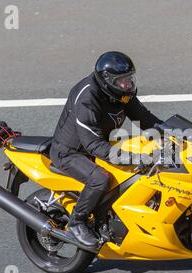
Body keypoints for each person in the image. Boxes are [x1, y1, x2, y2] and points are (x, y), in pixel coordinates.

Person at [50, 51, 162, 248]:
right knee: (100, 179)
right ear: (108, 81)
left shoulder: (120, 94)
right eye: (123, 81)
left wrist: (177, 133)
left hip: (101, 143)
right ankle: (77, 222)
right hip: (71, 152)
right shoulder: (87, 98)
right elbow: (92, 145)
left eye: (130, 78)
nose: (128, 84)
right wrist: (134, 158)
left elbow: (146, 120)